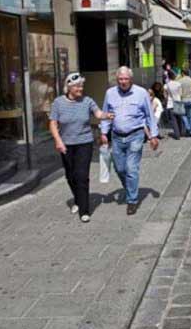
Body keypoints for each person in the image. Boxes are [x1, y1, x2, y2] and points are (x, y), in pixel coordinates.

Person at [49, 72, 114, 223]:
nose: (80, 88)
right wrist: (58, 141)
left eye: (81, 86)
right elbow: (53, 124)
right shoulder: (58, 103)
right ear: (69, 87)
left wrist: (107, 115)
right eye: (77, 86)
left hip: (84, 142)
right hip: (66, 144)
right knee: (70, 175)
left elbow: (98, 113)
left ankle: (84, 210)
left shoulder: (87, 101)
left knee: (82, 175)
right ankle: (78, 200)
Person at [100, 66, 159, 216]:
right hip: (117, 136)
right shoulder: (110, 93)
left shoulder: (141, 93)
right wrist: (103, 132)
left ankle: (132, 200)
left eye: (126, 79)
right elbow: (106, 113)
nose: (123, 82)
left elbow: (149, 115)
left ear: (131, 79)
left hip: (136, 134)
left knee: (131, 168)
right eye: (120, 79)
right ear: (117, 79)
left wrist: (153, 136)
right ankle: (130, 189)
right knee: (120, 169)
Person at [179, 69, 191, 137]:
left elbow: (179, 92)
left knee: (183, 115)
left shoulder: (180, 81)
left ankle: (187, 127)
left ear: (182, 73)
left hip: (183, 100)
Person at [164, 70, 183, 140]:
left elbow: (165, 96)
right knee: (179, 119)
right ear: (174, 76)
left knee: (173, 120)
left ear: (168, 77)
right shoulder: (178, 84)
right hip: (178, 102)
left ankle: (177, 135)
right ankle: (180, 132)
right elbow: (181, 94)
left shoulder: (166, 85)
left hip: (170, 104)